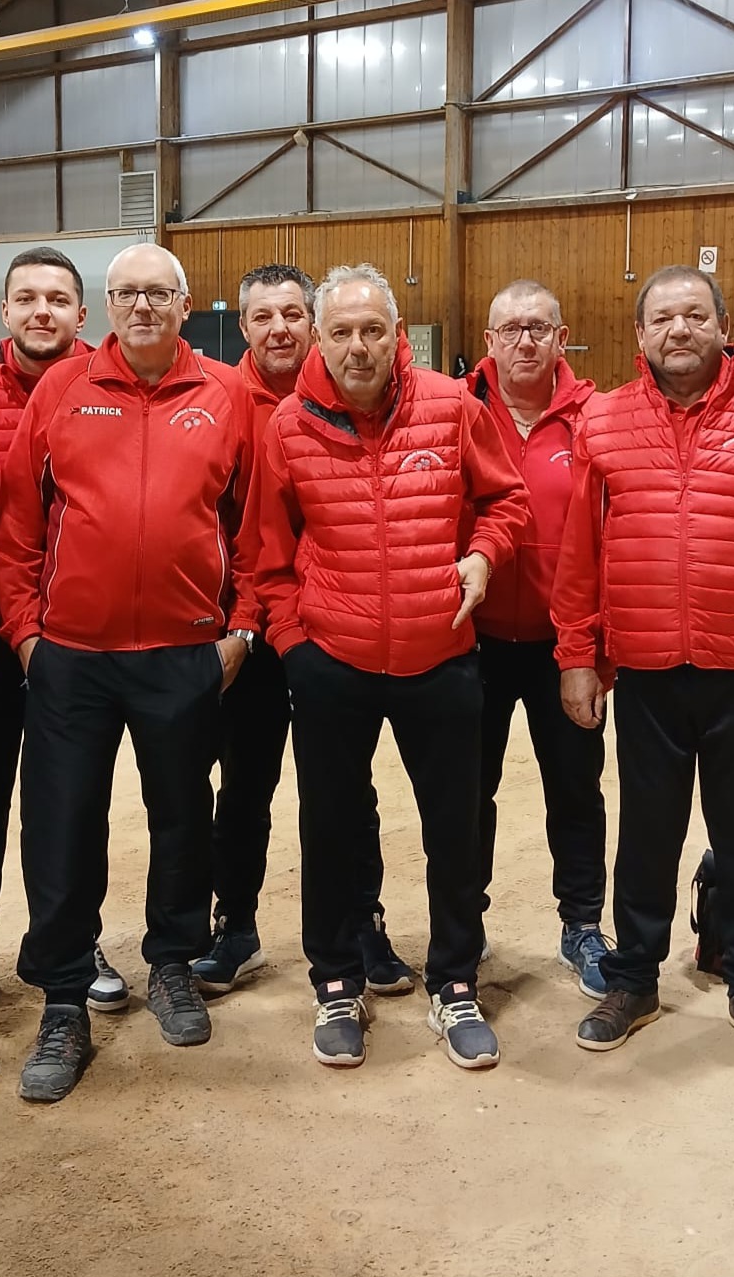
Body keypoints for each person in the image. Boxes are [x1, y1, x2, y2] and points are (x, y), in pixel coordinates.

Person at [552, 265, 734, 1071]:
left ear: (724, 325)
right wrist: (579, 656)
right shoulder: (605, 422)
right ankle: (634, 979)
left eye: (694, 315)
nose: (679, 329)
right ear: (640, 335)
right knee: (646, 832)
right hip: (644, 667)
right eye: (663, 318)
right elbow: (578, 555)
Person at [0, 243, 258, 1104]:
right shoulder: (60, 394)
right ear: (107, 306)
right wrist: (30, 634)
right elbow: (18, 531)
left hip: (185, 656)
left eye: (159, 292)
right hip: (72, 658)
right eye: (126, 293)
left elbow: (258, 527)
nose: (142, 305)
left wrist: (241, 632)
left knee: (184, 817)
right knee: (62, 824)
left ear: (185, 304)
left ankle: (173, 962)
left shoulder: (225, 396)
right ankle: (65, 996)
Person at [251, 263, 529, 1070]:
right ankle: (337, 979)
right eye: (341, 331)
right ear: (319, 339)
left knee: (455, 827)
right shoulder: (288, 427)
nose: (358, 346)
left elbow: (507, 502)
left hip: (440, 657)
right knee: (330, 827)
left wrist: (483, 554)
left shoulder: (452, 407)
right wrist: (296, 649)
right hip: (331, 660)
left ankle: (454, 983)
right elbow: (269, 558)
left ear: (398, 335)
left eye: (374, 329)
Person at [193, 264, 413, 998]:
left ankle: (362, 921)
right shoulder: (220, 400)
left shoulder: (360, 391)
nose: (279, 328)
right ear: (243, 327)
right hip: (253, 626)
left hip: (337, 629)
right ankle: (238, 925)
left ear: (312, 323)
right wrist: (246, 624)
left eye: (293, 313)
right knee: (244, 786)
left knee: (349, 789)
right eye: (264, 316)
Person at [0, 247, 127, 1014]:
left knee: (71, 807)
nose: (42, 311)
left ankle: (70, 940)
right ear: (6, 311)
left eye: (57, 298)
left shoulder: (115, 389)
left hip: (85, 643)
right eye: (27, 298)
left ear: (82, 314)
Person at [466, 280, 610, 996]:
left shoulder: (600, 421)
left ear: (563, 338)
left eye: (540, 328)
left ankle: (583, 923)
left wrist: (591, 646)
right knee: (468, 791)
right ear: (489, 339)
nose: (526, 340)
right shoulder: (456, 410)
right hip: (473, 645)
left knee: (576, 789)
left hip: (567, 649)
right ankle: (465, 920)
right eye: (511, 329)